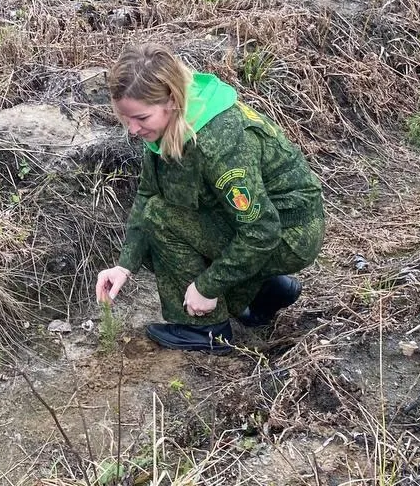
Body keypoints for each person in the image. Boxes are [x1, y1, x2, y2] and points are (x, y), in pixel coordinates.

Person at [95, 43, 325, 354]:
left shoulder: (218, 142)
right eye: (126, 118)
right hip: (261, 224)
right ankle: (265, 291)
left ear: (171, 102)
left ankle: (208, 330)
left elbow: (261, 230)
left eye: (141, 118)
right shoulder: (172, 123)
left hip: (289, 234)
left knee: (161, 219)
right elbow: (149, 191)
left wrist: (207, 286)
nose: (132, 129)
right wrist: (124, 266)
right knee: (152, 231)